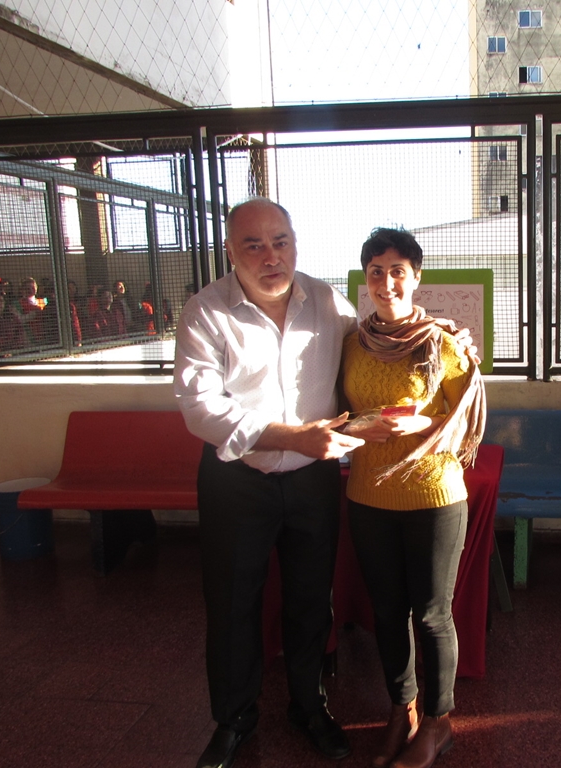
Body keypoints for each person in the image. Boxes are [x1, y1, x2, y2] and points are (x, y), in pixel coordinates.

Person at [174, 198, 365, 768]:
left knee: (311, 597)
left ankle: (309, 706)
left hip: (312, 482)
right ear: (230, 251)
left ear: (295, 243)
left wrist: (439, 337)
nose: (270, 256)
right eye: (253, 245)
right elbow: (199, 408)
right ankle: (234, 719)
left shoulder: (328, 302)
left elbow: (374, 351)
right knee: (232, 602)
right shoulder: (206, 312)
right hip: (236, 479)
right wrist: (290, 437)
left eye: (280, 241)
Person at [340, 228, 485, 768]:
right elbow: (339, 414)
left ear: (416, 277)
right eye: (376, 271)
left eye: (397, 271)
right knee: (386, 610)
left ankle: (440, 721)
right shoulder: (351, 344)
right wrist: (361, 426)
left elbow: (468, 418)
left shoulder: (442, 344)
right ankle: (403, 709)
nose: (387, 282)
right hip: (368, 494)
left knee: (431, 613)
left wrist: (423, 425)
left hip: (433, 494)